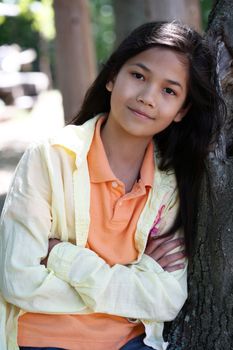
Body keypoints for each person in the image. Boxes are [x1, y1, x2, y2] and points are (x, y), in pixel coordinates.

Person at [0, 21, 225, 350]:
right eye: (138, 76)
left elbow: (167, 299)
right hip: (44, 339)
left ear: (181, 111)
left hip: (132, 343)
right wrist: (132, 282)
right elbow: (18, 279)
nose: (147, 97)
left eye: (169, 90)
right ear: (111, 77)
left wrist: (62, 257)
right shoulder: (50, 158)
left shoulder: (171, 185)